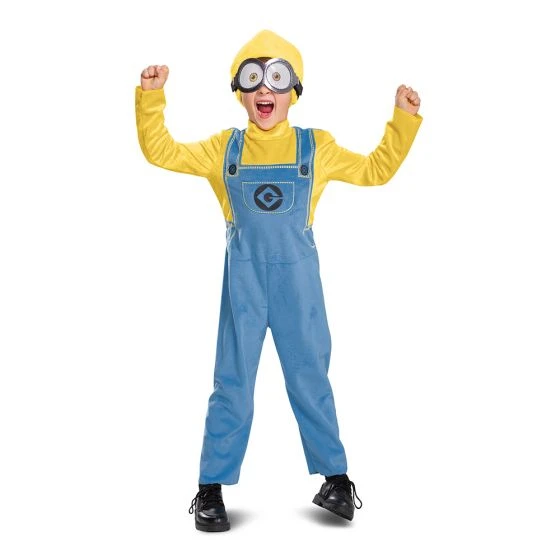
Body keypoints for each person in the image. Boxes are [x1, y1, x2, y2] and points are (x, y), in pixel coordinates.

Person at [135, 29, 422, 532]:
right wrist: (151, 98)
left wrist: (402, 120)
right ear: (239, 91)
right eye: (253, 78)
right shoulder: (224, 149)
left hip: (299, 288)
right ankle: (210, 488)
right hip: (243, 285)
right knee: (232, 382)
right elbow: (162, 151)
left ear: (294, 90)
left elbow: (376, 170)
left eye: (277, 78)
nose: (264, 89)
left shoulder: (316, 146)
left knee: (310, 376)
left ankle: (336, 481)